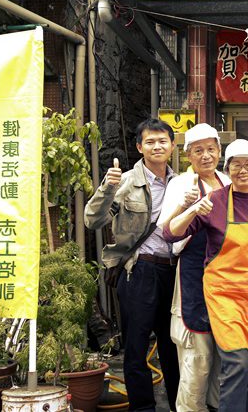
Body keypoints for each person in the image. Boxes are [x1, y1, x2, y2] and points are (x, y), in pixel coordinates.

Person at [164, 139, 248, 412]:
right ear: (227, 169)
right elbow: (171, 233)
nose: (243, 170)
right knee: (237, 362)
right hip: (224, 295)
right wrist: (191, 208)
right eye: (236, 165)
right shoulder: (213, 201)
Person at [84, 119, 180, 412]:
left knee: (173, 345)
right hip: (138, 271)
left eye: (163, 141)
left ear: (173, 146)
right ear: (140, 147)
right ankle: (143, 408)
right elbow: (92, 220)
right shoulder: (124, 182)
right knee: (137, 347)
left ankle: (180, 404)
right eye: (150, 142)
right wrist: (107, 188)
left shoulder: (182, 182)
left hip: (174, 273)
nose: (157, 146)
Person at [157, 123, 230, 412]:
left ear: (220, 151)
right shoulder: (181, 185)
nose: (206, 156)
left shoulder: (228, 181)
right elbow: (168, 233)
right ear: (188, 155)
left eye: (211, 149)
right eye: (198, 151)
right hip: (193, 278)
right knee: (196, 361)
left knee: (224, 360)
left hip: (227, 279)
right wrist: (188, 208)